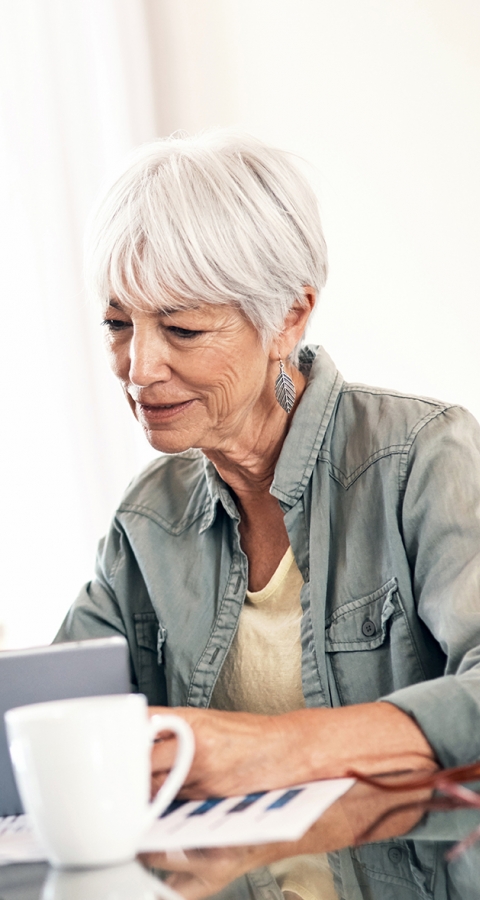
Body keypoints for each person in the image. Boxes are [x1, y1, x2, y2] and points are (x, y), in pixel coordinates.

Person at [57, 131, 480, 802]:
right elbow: (58, 715)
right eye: (117, 324)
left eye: (183, 330)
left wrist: (274, 750)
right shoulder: (148, 517)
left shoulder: (422, 457)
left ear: (288, 318)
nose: (137, 369)